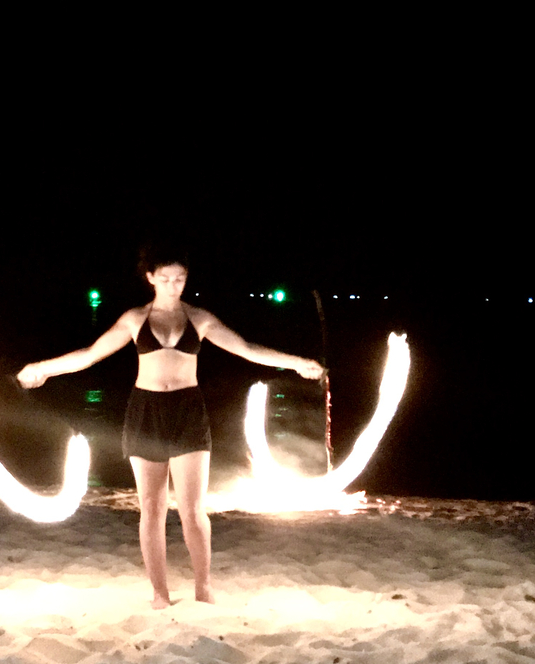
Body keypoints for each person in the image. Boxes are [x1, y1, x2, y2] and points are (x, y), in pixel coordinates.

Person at [16, 249, 324, 608]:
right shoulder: (135, 319)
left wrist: (297, 363)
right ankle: (159, 595)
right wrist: (41, 368)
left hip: (188, 412)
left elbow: (245, 348)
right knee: (152, 507)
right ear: (150, 278)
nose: (172, 285)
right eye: (164, 278)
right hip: (145, 412)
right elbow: (89, 354)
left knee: (193, 510)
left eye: (179, 278)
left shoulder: (200, 319)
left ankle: (203, 588)